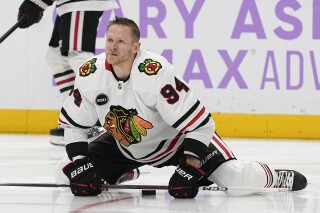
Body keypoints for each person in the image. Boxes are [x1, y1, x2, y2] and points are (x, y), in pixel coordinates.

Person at [57, 16, 308, 198]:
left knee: (235, 180)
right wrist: (80, 163)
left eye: (120, 42)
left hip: (177, 143)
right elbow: (74, 124)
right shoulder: (90, 72)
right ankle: (124, 172)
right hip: (127, 146)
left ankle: (275, 177)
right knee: (64, 174)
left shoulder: (155, 72)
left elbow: (200, 125)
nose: (112, 47)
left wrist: (190, 167)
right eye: (110, 40)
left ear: (136, 47)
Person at [17, 0, 119, 145]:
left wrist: (36, 3)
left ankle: (97, 120)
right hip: (70, 5)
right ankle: (77, 117)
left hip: (79, 3)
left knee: (79, 56)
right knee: (56, 57)